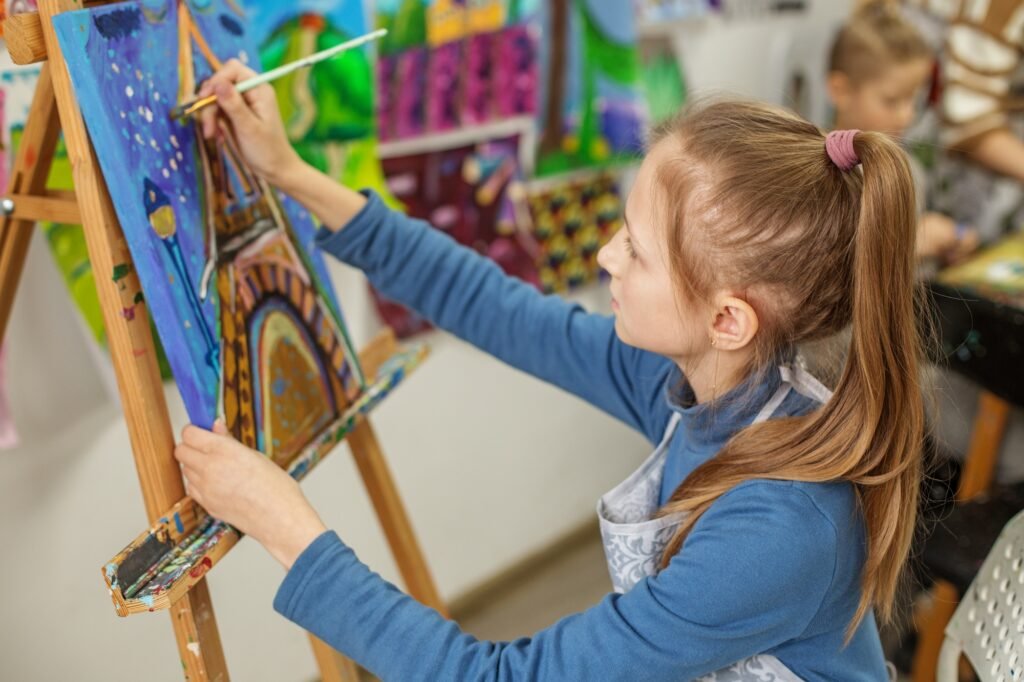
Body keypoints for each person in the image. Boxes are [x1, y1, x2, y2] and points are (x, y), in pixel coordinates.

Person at [174, 60, 924, 680]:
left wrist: (286, 527)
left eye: (635, 249)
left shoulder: (779, 527)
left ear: (728, 318)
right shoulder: (706, 385)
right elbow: (492, 306)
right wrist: (289, 172)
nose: (605, 258)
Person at [827, 0, 977, 265]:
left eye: (913, 100)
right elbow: (828, 265)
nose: (907, 115)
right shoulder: (822, 176)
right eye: (892, 100)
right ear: (841, 90)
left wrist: (950, 244)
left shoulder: (911, 169)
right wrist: (912, 244)